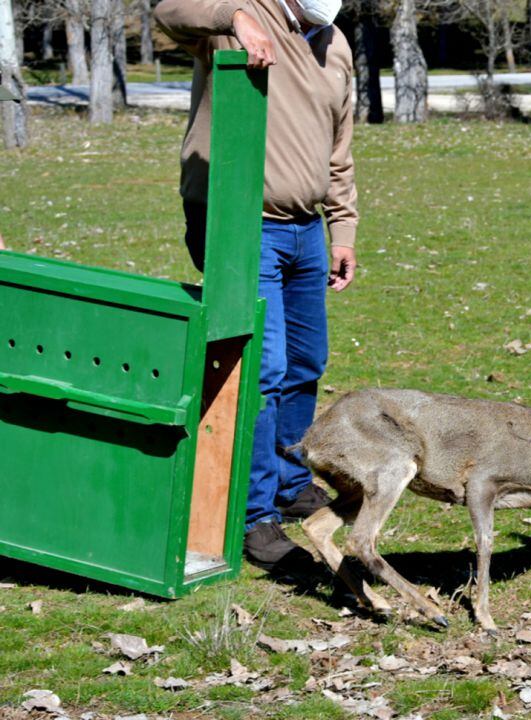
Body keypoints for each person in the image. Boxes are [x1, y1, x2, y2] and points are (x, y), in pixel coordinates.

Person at [155, 0, 357, 573]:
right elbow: (169, 11)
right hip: (239, 219)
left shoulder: (334, 42)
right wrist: (234, 17)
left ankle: (293, 483)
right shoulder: (240, 16)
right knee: (259, 371)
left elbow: (339, 149)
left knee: (305, 362)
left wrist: (342, 228)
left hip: (305, 230)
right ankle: (252, 515)